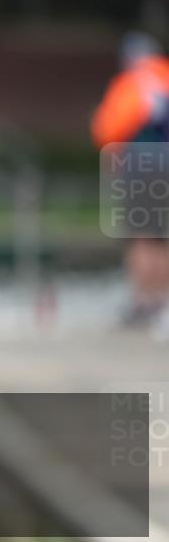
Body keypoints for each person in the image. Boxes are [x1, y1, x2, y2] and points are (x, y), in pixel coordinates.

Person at [91, 31, 169, 328]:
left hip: (138, 166)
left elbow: (106, 130)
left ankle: (142, 301)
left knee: (140, 235)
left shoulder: (129, 85)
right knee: (161, 237)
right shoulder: (166, 77)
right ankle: (162, 302)